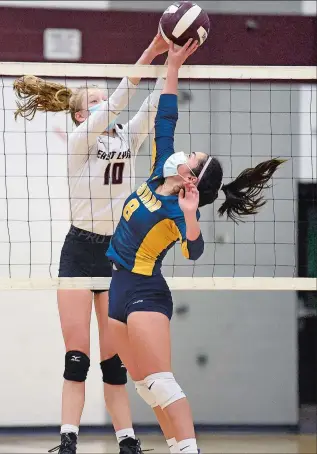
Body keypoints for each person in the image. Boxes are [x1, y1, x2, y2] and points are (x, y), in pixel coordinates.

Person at [106, 39, 284, 454]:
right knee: (146, 387)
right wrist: (173, 63)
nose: (183, 152)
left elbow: (195, 252)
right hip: (117, 286)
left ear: (191, 179)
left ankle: (190, 450)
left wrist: (189, 215)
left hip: (145, 291)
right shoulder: (158, 172)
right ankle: (177, 448)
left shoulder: (179, 210)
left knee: (162, 382)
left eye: (191, 156)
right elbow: (166, 115)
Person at [13, 34, 176, 454]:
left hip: (113, 253)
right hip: (78, 249)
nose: (107, 106)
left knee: (114, 363)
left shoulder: (128, 140)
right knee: (77, 359)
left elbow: (151, 104)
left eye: (106, 100)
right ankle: (67, 441)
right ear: (83, 115)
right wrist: (149, 51)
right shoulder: (81, 142)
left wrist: (172, 63)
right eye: (98, 102)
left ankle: (127, 442)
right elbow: (122, 100)